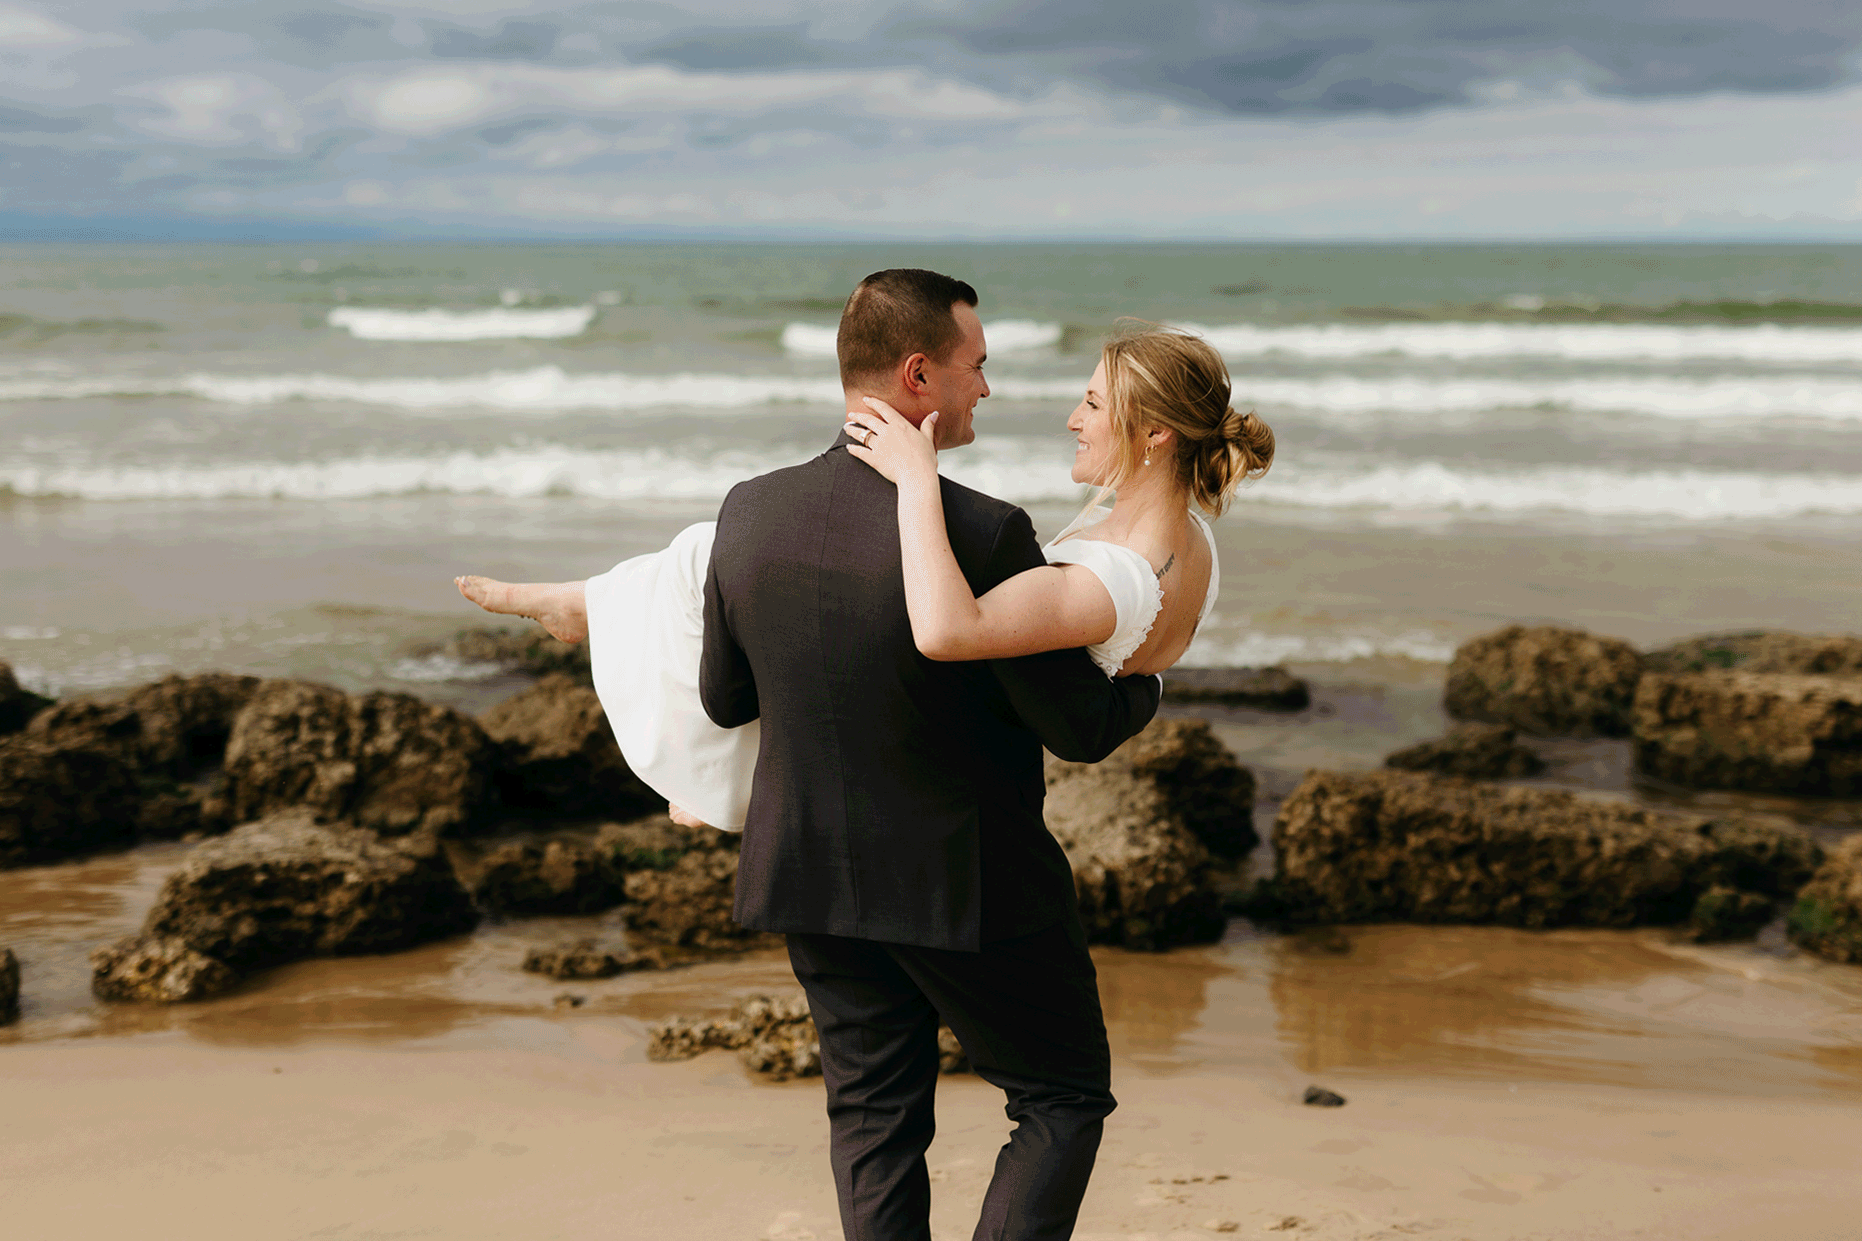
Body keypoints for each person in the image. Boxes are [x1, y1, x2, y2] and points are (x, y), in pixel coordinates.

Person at [456, 270, 1272, 1240]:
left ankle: (585, 602)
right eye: (975, 366)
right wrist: (1143, 683)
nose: (987, 389)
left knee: (874, 1121)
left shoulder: (749, 513)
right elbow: (1073, 720)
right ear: (919, 374)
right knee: (1058, 1097)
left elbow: (723, 697)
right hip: (964, 882)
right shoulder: (983, 530)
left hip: (808, 872)